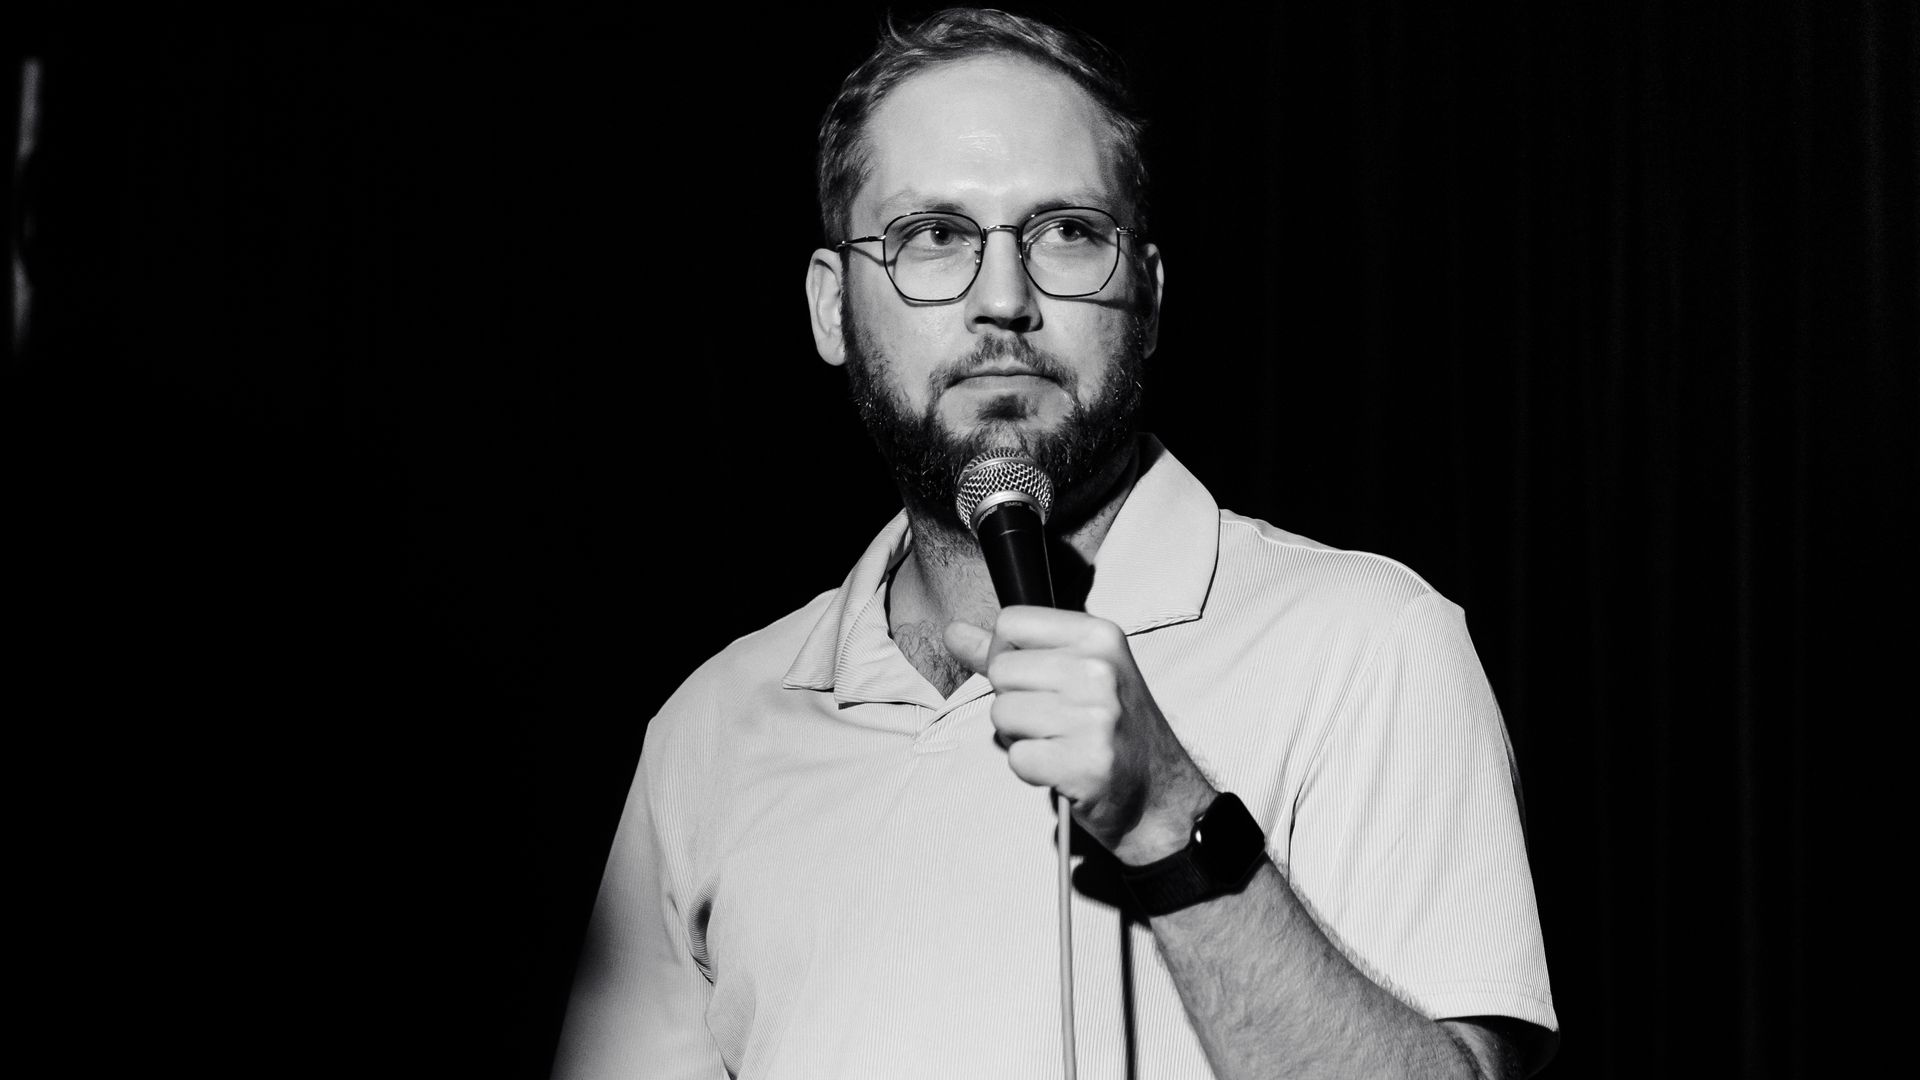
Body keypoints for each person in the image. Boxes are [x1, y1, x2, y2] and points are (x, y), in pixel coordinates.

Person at [554, 8, 1557, 1078]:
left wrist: (1167, 810)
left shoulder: (1366, 643)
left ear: (1152, 296)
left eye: (1068, 231)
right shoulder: (712, 728)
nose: (1003, 303)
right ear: (831, 307)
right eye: (930, 236)